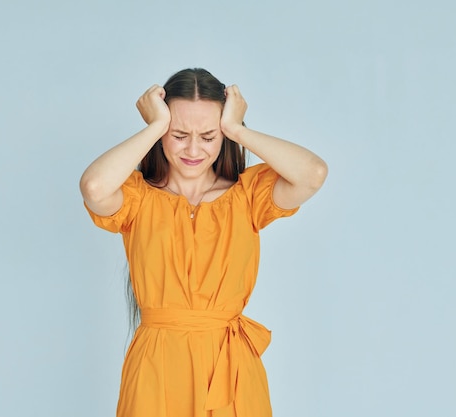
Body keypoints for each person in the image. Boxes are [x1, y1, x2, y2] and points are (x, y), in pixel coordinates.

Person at [80, 68, 327, 417]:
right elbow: (93, 187)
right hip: (156, 367)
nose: (193, 149)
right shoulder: (137, 198)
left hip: (230, 369)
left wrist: (238, 130)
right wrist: (152, 127)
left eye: (209, 136)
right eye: (178, 134)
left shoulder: (247, 196)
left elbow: (313, 173)